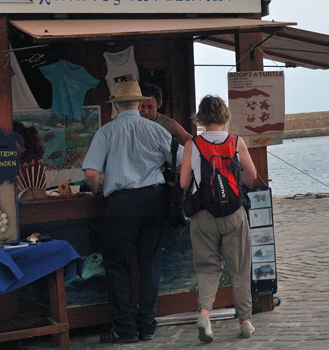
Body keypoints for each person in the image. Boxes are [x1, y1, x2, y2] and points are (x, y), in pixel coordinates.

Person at [82, 81, 181, 344]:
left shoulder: (105, 132)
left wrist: (98, 190)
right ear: (139, 104)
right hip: (154, 200)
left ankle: (125, 329)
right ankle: (147, 325)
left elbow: (91, 173)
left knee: (117, 266)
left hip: (122, 203)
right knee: (150, 264)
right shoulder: (156, 129)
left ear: (115, 105)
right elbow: (182, 161)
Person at [179, 95, 257, 343]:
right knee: (240, 268)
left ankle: (204, 314)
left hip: (203, 215)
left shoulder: (193, 144)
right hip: (235, 214)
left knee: (207, 267)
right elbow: (251, 175)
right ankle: (245, 321)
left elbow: (183, 183)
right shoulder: (236, 141)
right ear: (224, 116)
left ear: (200, 118)